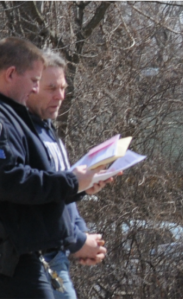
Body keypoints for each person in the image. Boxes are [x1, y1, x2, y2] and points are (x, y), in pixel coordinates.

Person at [0, 37, 99, 298]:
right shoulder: (5, 117)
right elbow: (8, 178)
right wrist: (71, 183)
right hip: (14, 258)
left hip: (27, 254)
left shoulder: (16, 116)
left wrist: (79, 186)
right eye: (36, 81)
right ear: (11, 74)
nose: (35, 89)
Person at [26, 49, 110, 299]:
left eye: (63, 87)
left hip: (57, 255)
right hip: (38, 260)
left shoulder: (48, 130)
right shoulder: (22, 135)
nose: (60, 96)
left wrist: (83, 187)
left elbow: (61, 197)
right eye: (51, 88)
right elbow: (33, 197)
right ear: (31, 87)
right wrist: (77, 241)